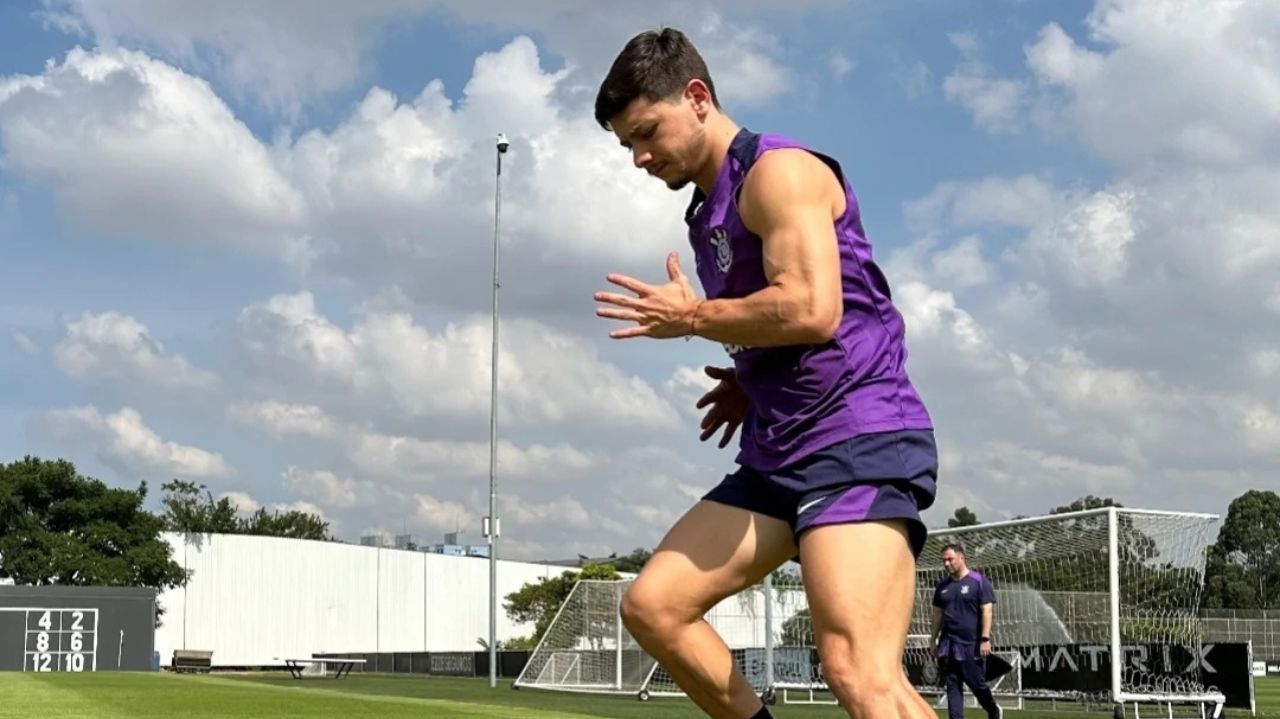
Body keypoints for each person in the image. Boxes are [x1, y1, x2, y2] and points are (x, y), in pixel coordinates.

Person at [591, 26, 939, 719]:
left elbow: (811, 307)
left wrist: (693, 318)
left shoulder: (780, 173)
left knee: (859, 671)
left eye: (646, 132)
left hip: (855, 440)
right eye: (628, 144)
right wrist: (748, 381)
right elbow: (773, 317)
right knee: (655, 607)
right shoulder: (704, 212)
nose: (639, 157)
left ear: (696, 97)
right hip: (779, 452)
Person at [930, 544, 1002, 719]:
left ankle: (993, 710)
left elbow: (987, 610)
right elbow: (937, 614)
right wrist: (933, 641)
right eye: (943, 560)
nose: (946, 564)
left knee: (977, 684)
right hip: (948, 645)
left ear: (961, 558)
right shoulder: (942, 585)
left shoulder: (979, 581)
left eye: (950, 559)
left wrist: (985, 639)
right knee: (952, 686)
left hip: (972, 644)